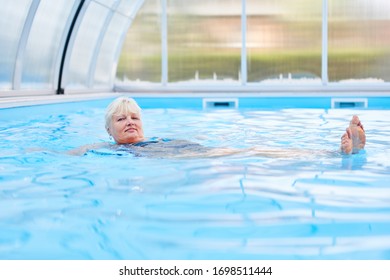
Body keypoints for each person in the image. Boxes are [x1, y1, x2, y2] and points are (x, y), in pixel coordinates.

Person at [70, 96, 366, 157]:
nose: (130, 122)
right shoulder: (108, 149)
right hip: (181, 157)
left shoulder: (155, 138)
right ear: (109, 130)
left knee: (250, 152)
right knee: (250, 153)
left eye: (134, 117)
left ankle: (332, 153)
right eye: (121, 119)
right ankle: (331, 154)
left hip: (182, 151)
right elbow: (81, 150)